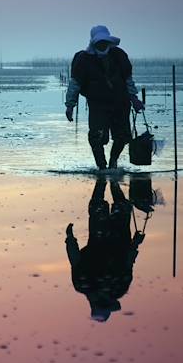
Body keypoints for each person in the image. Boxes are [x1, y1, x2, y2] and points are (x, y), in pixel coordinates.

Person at [65, 177, 145, 322]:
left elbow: (75, 259)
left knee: (98, 204)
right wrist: (135, 244)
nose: (108, 298)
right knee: (118, 205)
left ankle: (103, 178)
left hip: (100, 237)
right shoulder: (118, 289)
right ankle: (111, 179)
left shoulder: (83, 284)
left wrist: (70, 238)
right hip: (118, 238)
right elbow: (128, 263)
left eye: (105, 301)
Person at [65, 25, 144, 170]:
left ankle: (113, 162)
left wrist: (135, 99)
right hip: (98, 105)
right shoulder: (83, 59)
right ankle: (102, 166)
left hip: (121, 103)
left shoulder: (119, 56)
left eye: (105, 43)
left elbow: (128, 80)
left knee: (122, 136)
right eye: (99, 43)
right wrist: (70, 105)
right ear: (93, 43)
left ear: (109, 42)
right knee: (97, 136)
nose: (102, 46)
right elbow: (75, 83)